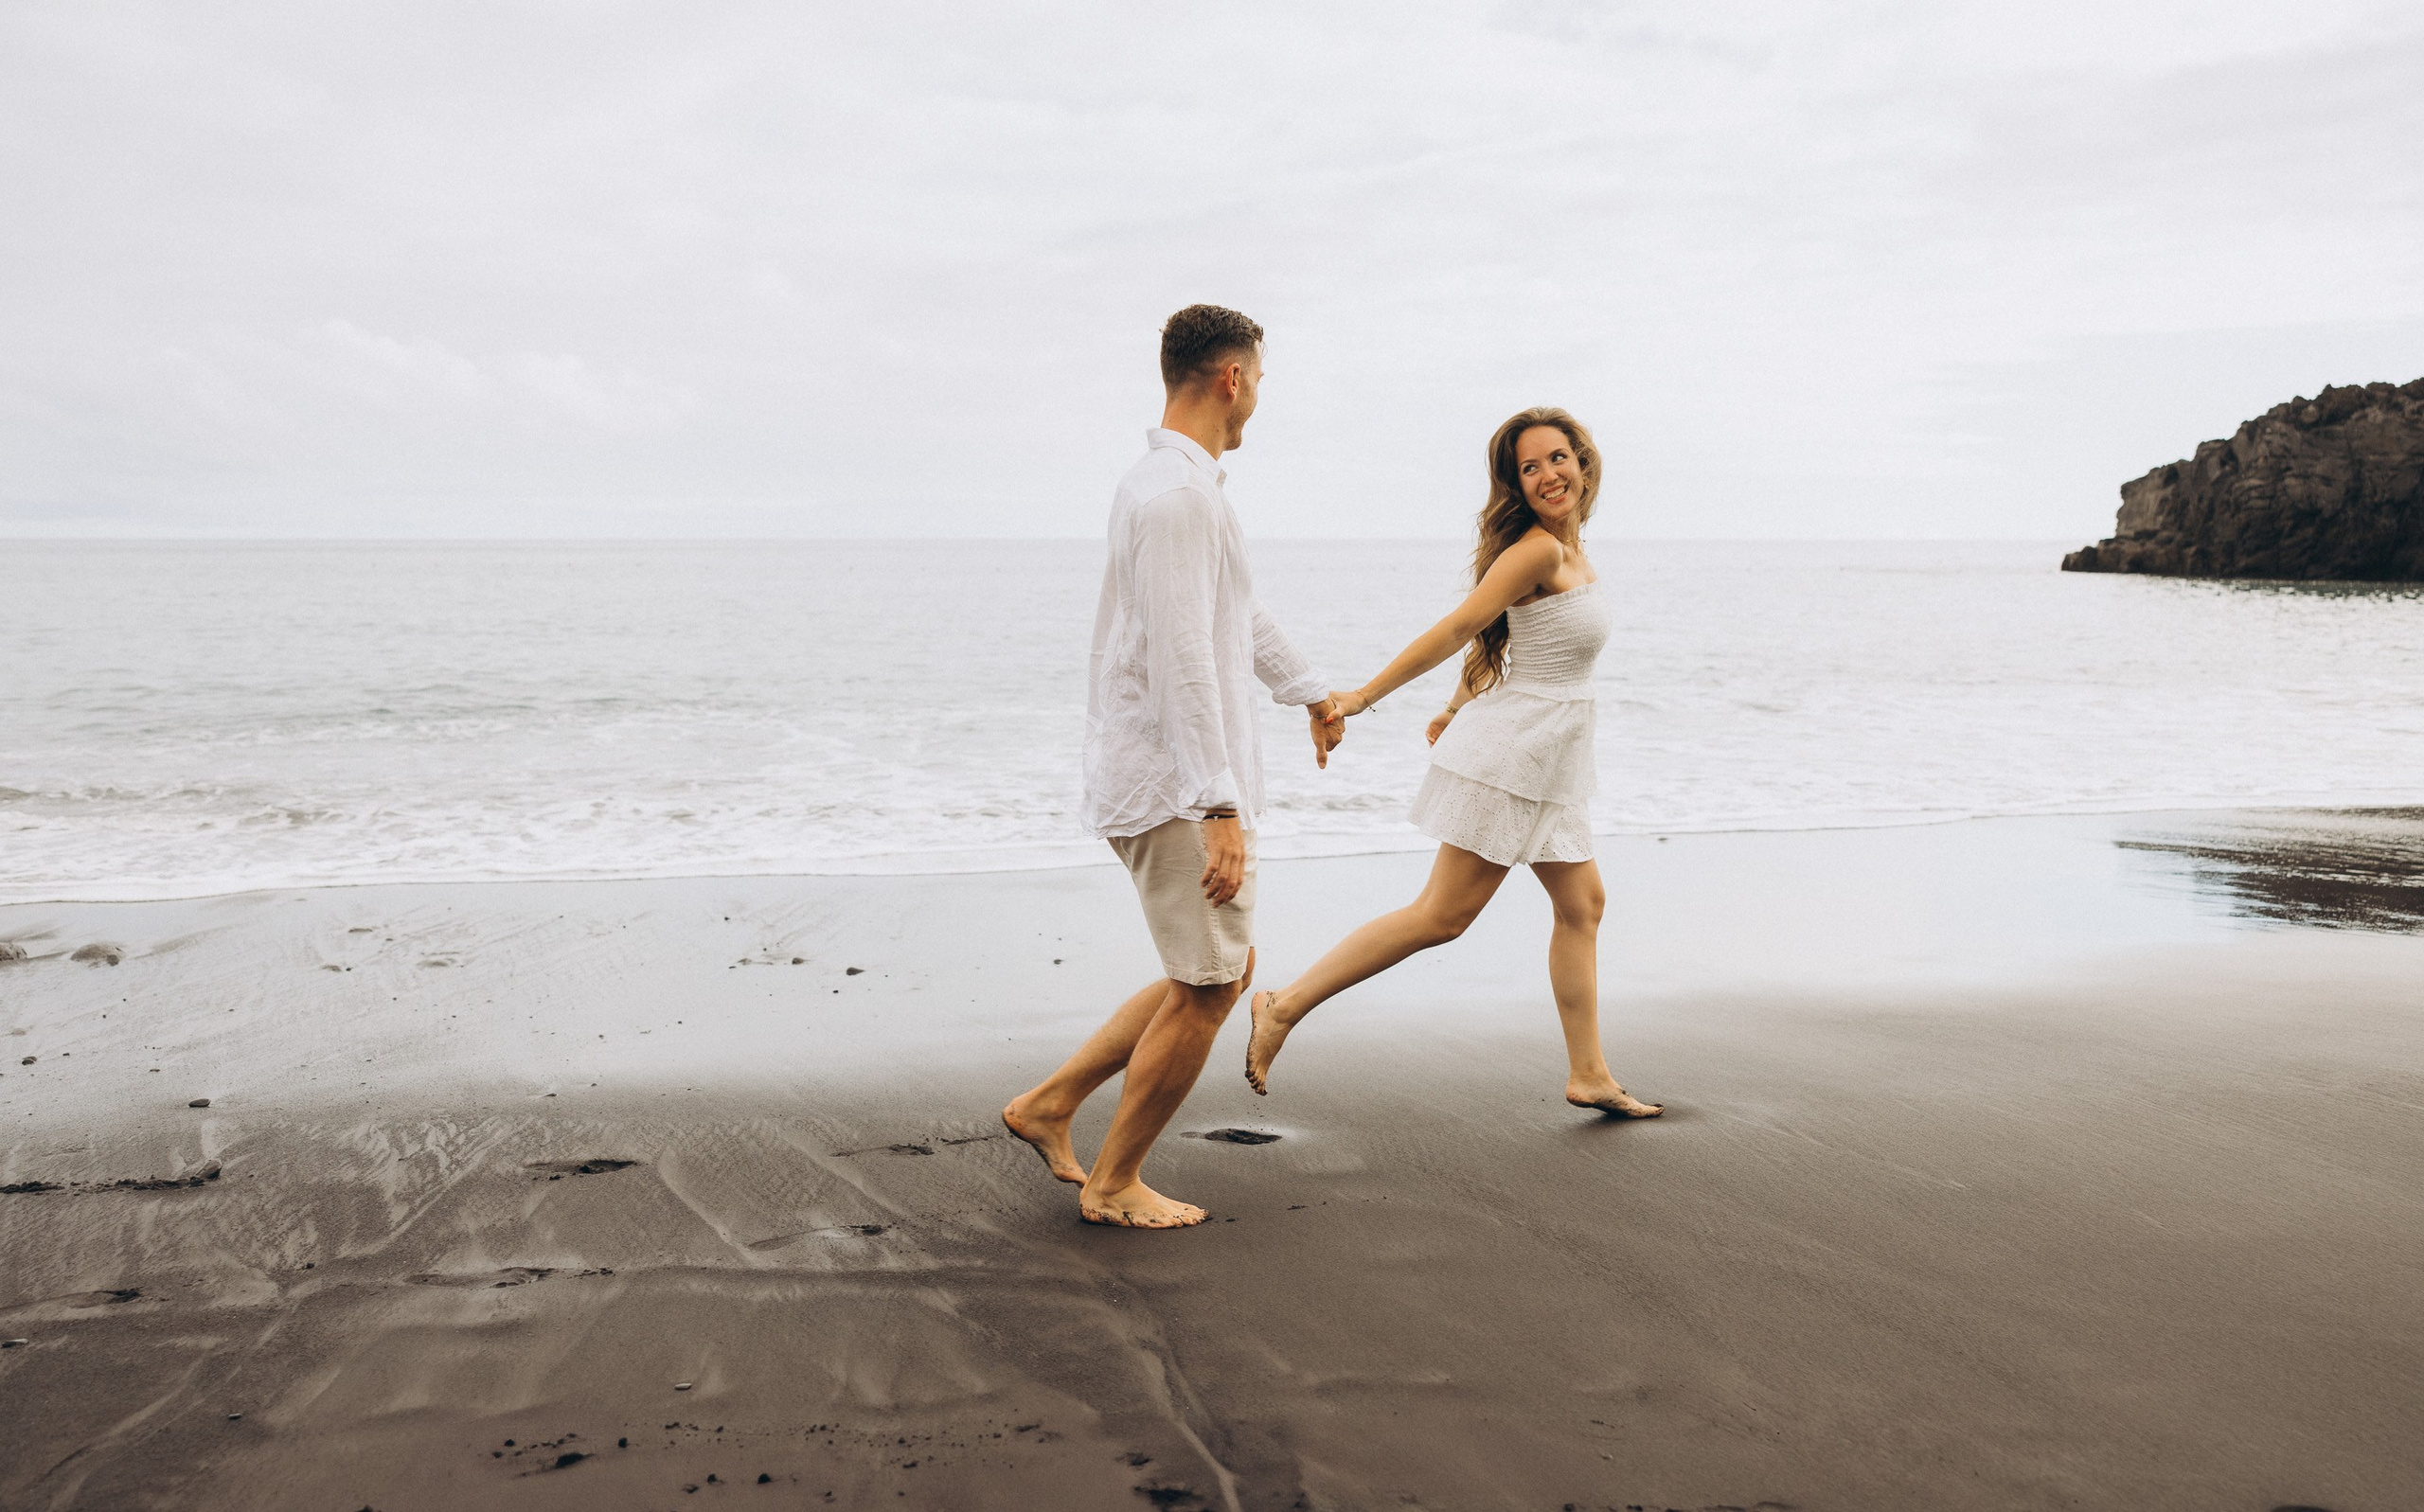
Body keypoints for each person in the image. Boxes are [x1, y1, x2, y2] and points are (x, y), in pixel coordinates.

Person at [1002, 304, 1347, 1230]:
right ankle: (1114, 1184)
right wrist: (1216, 806)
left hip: (1163, 778)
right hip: (1173, 783)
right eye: (1260, 380)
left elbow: (1230, 612)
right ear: (1230, 377)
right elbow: (1182, 658)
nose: (1259, 398)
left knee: (1216, 973)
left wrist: (1308, 688)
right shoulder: (1176, 496)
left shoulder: (1177, 488)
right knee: (1206, 986)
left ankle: (1047, 1106)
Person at [1243, 407, 1662, 1118]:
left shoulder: (1574, 554)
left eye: (1556, 458)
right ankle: (1284, 1005)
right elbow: (1463, 624)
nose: (1547, 475)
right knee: (1442, 915)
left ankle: (1588, 1072)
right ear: (1517, 486)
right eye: (1529, 468)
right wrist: (1364, 696)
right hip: (1518, 755)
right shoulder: (1537, 552)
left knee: (1582, 904)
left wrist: (1456, 703)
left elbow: (1507, 639)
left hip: (1551, 756)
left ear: (1582, 462)